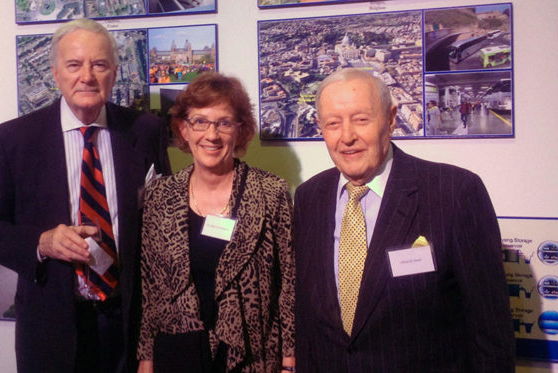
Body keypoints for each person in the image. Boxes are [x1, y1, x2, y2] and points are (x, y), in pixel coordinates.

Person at [0, 18, 171, 373]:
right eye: (74, 65)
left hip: (129, 324)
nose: (87, 76)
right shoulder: (11, 141)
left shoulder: (145, 130)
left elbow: (164, 224)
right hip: (51, 327)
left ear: (115, 73)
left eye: (99, 64)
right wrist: (42, 241)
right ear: (56, 73)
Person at [293, 68, 514, 372]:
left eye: (361, 119)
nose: (347, 137)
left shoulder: (454, 193)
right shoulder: (308, 198)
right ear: (320, 128)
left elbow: (491, 334)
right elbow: (309, 322)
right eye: (333, 123)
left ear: (391, 118)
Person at [137, 72, 295, 373]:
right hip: (177, 350)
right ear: (183, 129)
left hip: (249, 354)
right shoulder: (159, 196)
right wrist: (146, 358)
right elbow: (150, 286)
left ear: (240, 130)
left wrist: (289, 361)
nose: (211, 135)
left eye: (223, 123)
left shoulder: (270, 192)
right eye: (199, 121)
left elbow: (287, 284)